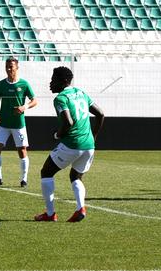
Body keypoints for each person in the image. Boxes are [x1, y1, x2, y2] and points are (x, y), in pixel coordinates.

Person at [34, 67, 104, 222]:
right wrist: (94, 136)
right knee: (76, 176)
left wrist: (58, 134)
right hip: (89, 146)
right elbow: (100, 114)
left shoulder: (60, 98)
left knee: (46, 172)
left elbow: (68, 122)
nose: (51, 83)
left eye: (54, 79)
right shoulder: (81, 93)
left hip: (72, 144)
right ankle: (81, 209)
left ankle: (50, 214)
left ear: (64, 81)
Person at [0, 57, 38, 188]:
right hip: (3, 123)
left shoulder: (24, 84)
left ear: (17, 68)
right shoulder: (1, 84)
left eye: (12, 67)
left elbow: (34, 101)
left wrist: (24, 107)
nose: (9, 69)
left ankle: (24, 179)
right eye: (7, 67)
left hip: (18, 124)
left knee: (22, 151)